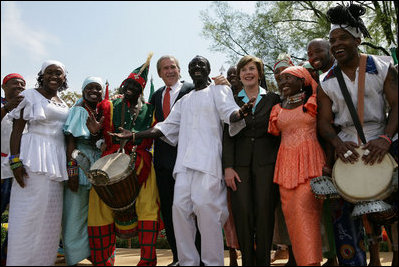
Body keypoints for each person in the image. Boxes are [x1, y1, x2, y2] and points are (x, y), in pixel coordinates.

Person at [109, 55, 255, 266]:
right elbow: (164, 127)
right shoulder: (184, 100)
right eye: (193, 65)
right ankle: (188, 262)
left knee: (207, 211)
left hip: (208, 162)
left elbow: (229, 113)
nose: (197, 67)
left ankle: (212, 262)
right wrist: (134, 136)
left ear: (208, 69)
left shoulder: (218, 90)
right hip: (184, 166)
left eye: (201, 65)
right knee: (179, 210)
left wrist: (240, 113)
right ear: (189, 71)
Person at [318, 3, 398, 266]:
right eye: (332, 40)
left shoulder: (382, 67)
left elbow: (397, 105)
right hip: (348, 147)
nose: (336, 44)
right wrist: (337, 144)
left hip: (385, 138)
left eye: (342, 38)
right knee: (341, 215)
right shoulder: (326, 80)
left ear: (357, 39)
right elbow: (325, 122)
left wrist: (386, 139)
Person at [90, 54, 161, 266]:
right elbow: (96, 132)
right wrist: (95, 133)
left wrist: (134, 136)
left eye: (135, 85)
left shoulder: (151, 109)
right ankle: (102, 261)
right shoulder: (108, 106)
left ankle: (147, 260)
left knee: (148, 207)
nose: (129, 87)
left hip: (142, 163)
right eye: (127, 83)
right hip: (108, 162)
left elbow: (158, 130)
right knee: (98, 207)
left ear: (142, 88)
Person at [7, 60, 70, 266]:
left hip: (56, 161)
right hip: (34, 158)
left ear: (63, 77)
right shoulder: (30, 95)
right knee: (29, 215)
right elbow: (17, 130)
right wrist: (15, 161)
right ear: (41, 75)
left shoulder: (64, 103)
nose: (53, 76)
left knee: (49, 217)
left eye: (58, 73)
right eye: (49, 72)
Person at [222, 55, 280, 266]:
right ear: (239, 75)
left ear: (259, 73)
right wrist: (227, 167)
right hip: (239, 166)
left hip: (267, 164)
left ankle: (264, 261)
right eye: (244, 69)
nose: (248, 73)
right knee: (243, 213)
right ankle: (248, 260)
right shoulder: (231, 101)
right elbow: (227, 136)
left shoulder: (273, 98)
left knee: (265, 213)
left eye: (252, 69)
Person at [268, 66, 325, 266]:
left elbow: (327, 129)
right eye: (280, 79)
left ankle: (311, 262)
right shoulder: (277, 109)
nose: (283, 83)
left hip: (310, 164)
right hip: (285, 167)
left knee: (305, 213)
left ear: (303, 81)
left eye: (288, 78)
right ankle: (304, 262)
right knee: (291, 215)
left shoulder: (314, 102)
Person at [149, 55, 194, 266]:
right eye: (165, 68)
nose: (170, 71)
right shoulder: (156, 95)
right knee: (169, 210)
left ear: (179, 69)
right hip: (163, 162)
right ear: (159, 73)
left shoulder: (192, 89)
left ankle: (196, 256)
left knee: (190, 210)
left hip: (187, 159)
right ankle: (178, 257)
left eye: (173, 67)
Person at [61, 77, 105, 266]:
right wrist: (72, 171)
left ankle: (92, 252)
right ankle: (73, 256)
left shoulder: (103, 111)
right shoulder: (78, 110)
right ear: (83, 90)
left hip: (99, 164)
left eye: (98, 88)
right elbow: (70, 140)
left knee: (94, 214)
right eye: (90, 87)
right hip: (79, 162)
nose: (94, 91)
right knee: (75, 212)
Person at [271, 54, 296, 266]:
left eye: (285, 73)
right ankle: (290, 254)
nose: (281, 78)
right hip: (280, 162)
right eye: (277, 74)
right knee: (285, 210)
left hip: (304, 158)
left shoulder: (307, 97)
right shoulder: (275, 102)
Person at [1, 73, 25, 266]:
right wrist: (7, 108)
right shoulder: (3, 105)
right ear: (4, 87)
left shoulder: (26, 108)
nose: (19, 86)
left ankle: (6, 257)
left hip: (18, 171)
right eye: (14, 83)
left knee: (18, 220)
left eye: (22, 84)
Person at [223, 65, 241, 266]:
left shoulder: (250, 97)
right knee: (227, 210)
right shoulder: (221, 99)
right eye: (230, 75)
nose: (233, 77)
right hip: (224, 160)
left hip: (246, 160)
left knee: (246, 209)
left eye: (236, 74)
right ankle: (233, 253)